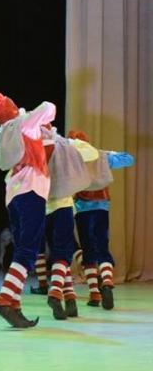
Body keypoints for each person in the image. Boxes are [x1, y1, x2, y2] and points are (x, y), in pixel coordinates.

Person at [0, 92, 55, 328]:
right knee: (29, 249)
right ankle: (4, 298)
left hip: (13, 194)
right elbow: (48, 106)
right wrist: (35, 118)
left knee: (22, 248)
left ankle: (14, 304)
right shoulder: (24, 123)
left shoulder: (3, 134)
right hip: (32, 190)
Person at [68, 130, 134, 310]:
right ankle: (107, 281)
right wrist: (108, 153)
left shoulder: (71, 158)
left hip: (82, 208)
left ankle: (94, 294)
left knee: (88, 251)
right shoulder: (100, 156)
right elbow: (129, 159)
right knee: (103, 247)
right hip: (101, 207)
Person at [38, 125, 98, 320]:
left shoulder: (35, 145)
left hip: (43, 206)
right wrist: (73, 141)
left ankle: (70, 300)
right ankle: (55, 291)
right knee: (63, 253)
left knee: (58, 254)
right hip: (62, 204)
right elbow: (92, 153)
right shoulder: (63, 145)